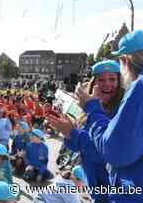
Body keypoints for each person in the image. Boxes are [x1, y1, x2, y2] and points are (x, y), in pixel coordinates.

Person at [47, 59, 124, 203]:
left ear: (119, 83)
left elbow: (105, 151)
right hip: (94, 184)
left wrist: (72, 133)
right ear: (94, 83)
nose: (107, 84)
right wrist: (67, 131)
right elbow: (76, 146)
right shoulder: (86, 108)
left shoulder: (122, 111)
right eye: (101, 80)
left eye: (112, 79)